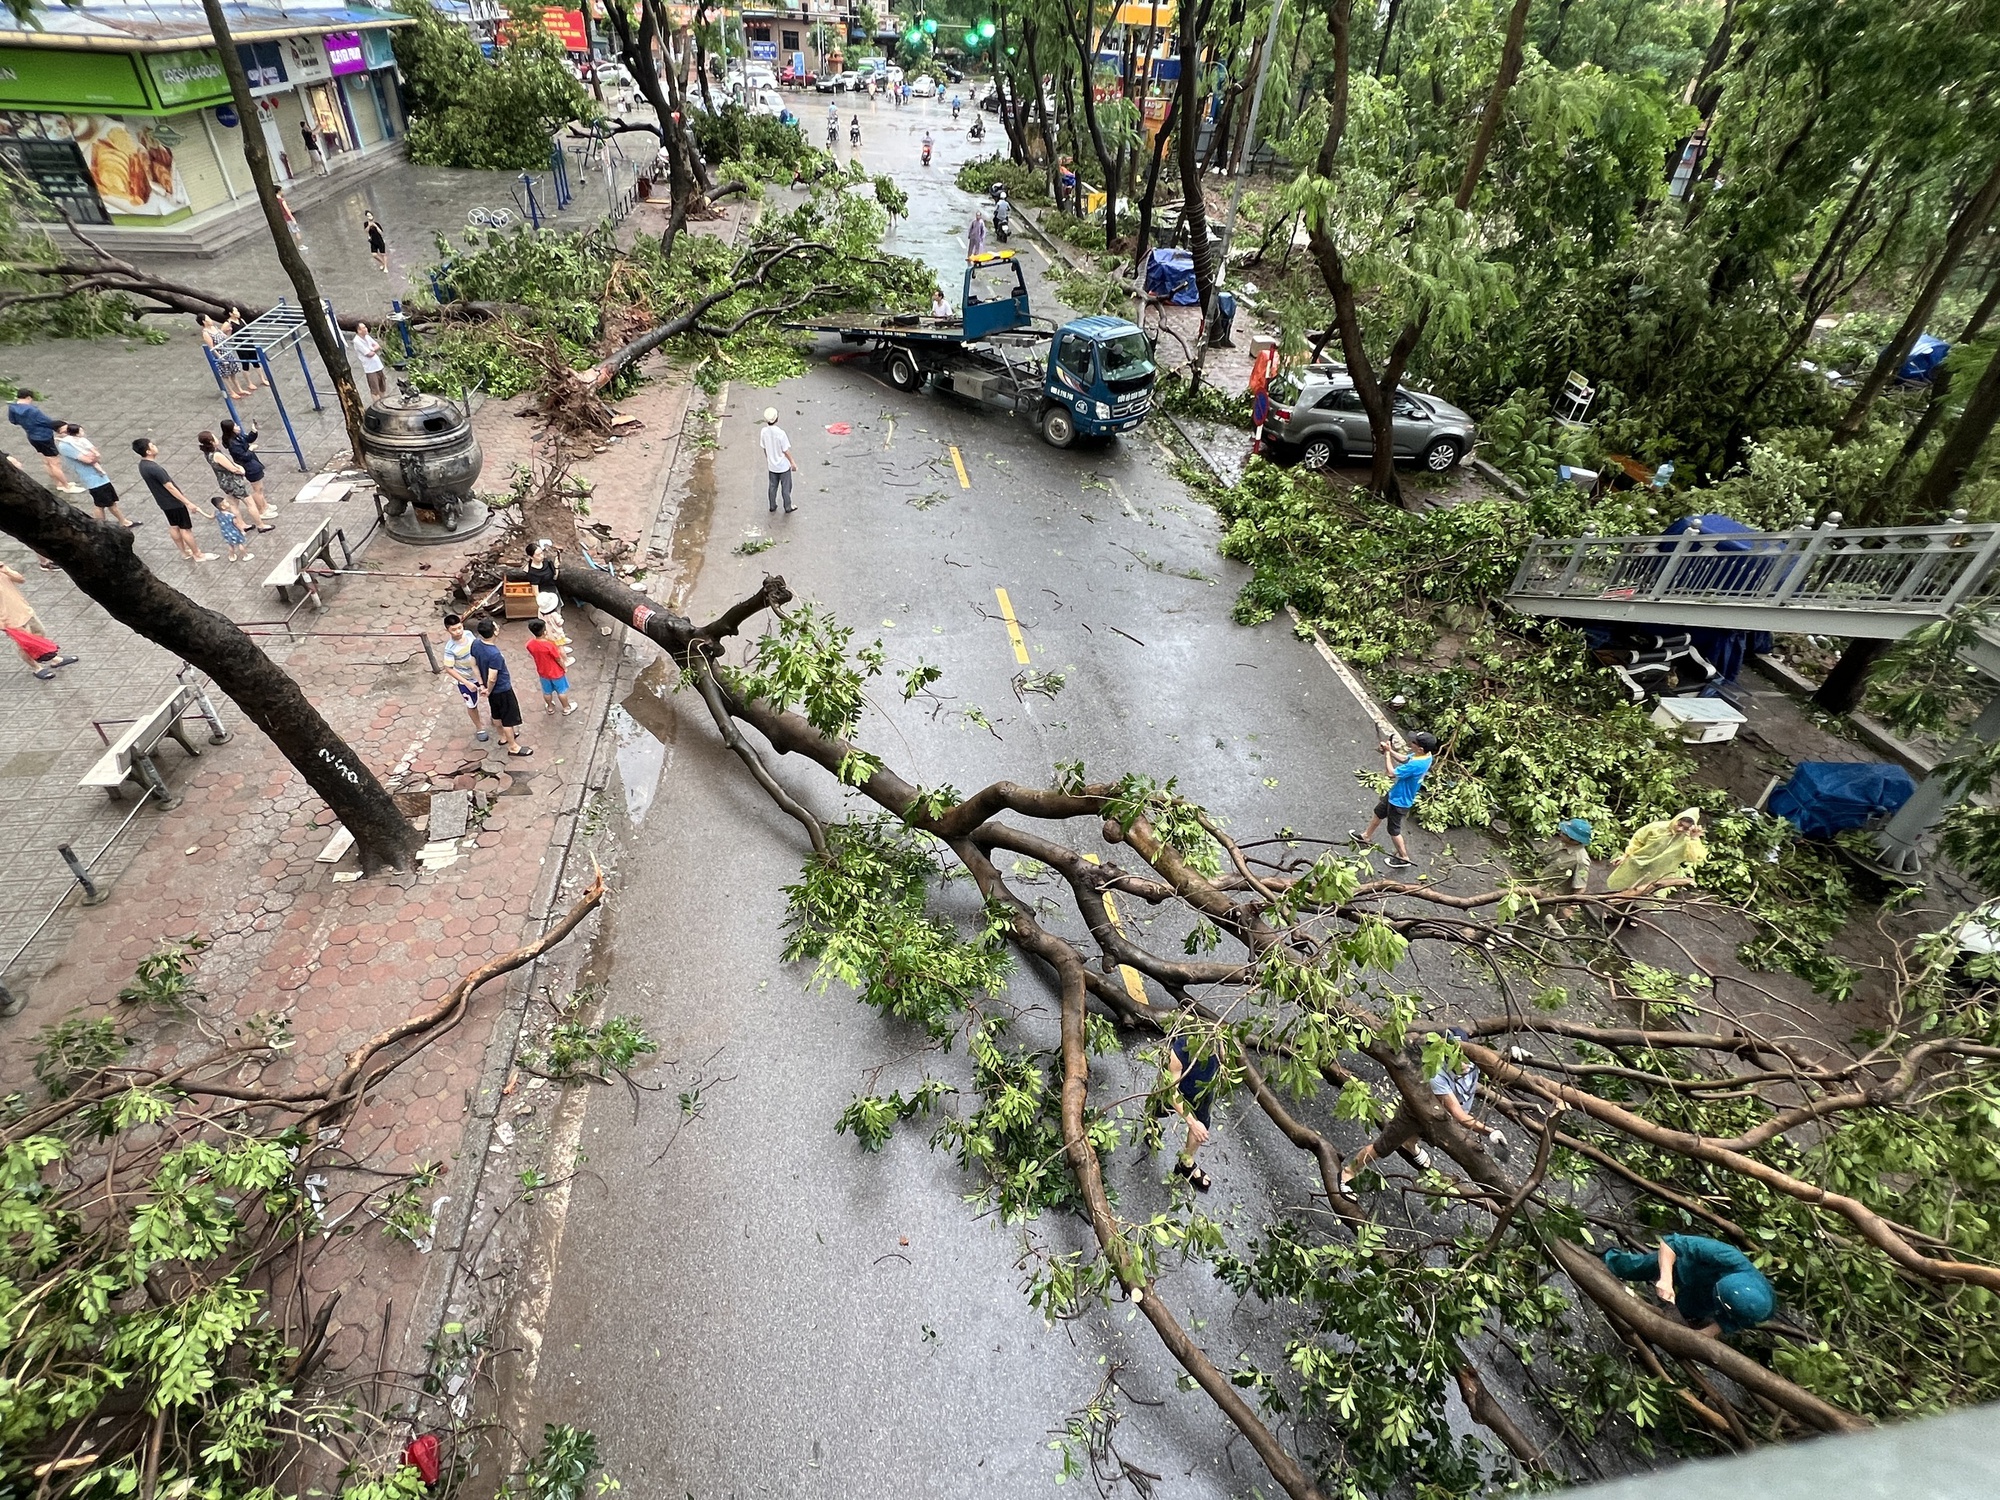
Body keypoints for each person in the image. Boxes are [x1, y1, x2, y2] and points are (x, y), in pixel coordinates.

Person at [1339, 1027, 1507, 1194]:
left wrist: (1512, 1054)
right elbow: (1460, 1116)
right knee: (1383, 1147)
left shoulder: (1473, 1062)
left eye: (1464, 1055)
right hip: (1415, 1113)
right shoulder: (1437, 1076)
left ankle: (1409, 1144)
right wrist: (1489, 1132)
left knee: (1422, 1136)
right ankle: (1348, 1172)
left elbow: (1492, 1059)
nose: (1463, 1062)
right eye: (1455, 1057)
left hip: (1438, 1115)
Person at [1602, 1234, 1776, 1338]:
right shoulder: (1726, 1255)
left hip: (1700, 1301)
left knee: (1676, 1316)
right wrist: (1666, 1280)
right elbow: (1670, 1243)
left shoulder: (1758, 1310)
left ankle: (1638, 1332)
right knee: (1635, 1267)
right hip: (1684, 1267)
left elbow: (1726, 1323)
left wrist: (1699, 1336)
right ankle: (1605, 1261)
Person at [1352, 730, 1439, 870]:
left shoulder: (1417, 765)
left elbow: (1390, 773)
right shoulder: (1424, 756)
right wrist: (1390, 750)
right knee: (1379, 812)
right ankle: (1366, 836)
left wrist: (1386, 754)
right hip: (1394, 794)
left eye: (1414, 742)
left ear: (1420, 748)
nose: (1411, 743)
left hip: (1399, 801)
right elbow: (1405, 758)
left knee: (1394, 830)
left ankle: (1404, 857)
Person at [133, 439, 214, 561]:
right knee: (185, 528)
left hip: (163, 503)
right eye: (152, 445)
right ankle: (197, 554)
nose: (155, 446)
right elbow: (170, 487)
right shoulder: (155, 468)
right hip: (174, 502)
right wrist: (187, 502)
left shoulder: (142, 465)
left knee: (174, 526)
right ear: (148, 451)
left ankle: (184, 552)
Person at [1164, 1032, 1222, 1192]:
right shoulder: (1178, 1053)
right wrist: (1191, 1122)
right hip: (1179, 1090)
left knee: (1201, 1126)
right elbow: (1171, 1094)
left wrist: (1197, 1125)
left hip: (1202, 1092)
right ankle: (1152, 1126)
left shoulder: (1221, 1045)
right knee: (1160, 1109)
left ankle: (1186, 1163)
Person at [1, 558, 77, 680]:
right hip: (10, 620)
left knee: (40, 634)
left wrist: (5, 570)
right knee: (25, 645)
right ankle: (36, 668)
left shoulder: (1, 569)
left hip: (25, 610)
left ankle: (54, 659)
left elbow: (20, 579)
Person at [56, 424, 136, 529]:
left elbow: (95, 454)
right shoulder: (66, 446)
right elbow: (88, 459)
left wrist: (94, 456)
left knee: (110, 502)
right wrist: (94, 456)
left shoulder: (79, 442)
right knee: (101, 504)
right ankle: (102, 526)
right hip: (92, 478)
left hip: (99, 477)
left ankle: (122, 522)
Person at [471, 618, 531, 756]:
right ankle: (513, 746)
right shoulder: (495, 654)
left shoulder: (475, 644)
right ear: (495, 632)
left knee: (496, 714)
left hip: (490, 691)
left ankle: (502, 737)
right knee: (508, 719)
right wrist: (488, 689)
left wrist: (482, 685)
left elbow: (473, 664)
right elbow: (493, 677)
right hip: (502, 689)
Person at [1607, 809, 1707, 891]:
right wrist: (1625, 856)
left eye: (1685, 828)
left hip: (1658, 874)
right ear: (1676, 819)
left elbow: (1695, 857)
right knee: (1617, 889)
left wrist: (1694, 839)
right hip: (1635, 865)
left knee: (1642, 898)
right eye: (1679, 824)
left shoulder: (1688, 840)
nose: (1680, 829)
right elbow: (1638, 840)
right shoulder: (1657, 827)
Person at [9, 389, 79, 492]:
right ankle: (66, 486)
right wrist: (61, 427)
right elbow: (47, 422)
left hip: (32, 436)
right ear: (28, 397)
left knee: (46, 461)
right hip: (44, 437)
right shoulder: (33, 410)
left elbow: (13, 421)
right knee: (55, 462)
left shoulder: (12, 408)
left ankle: (58, 483)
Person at [1535, 817, 1595, 920]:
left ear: (1574, 840)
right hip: (1541, 886)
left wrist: (1570, 908)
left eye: (1565, 833)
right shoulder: (1561, 844)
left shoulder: (1581, 860)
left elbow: (1580, 888)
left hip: (1552, 896)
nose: (1560, 833)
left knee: (1531, 917)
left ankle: (1517, 936)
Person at [441, 613, 488, 742]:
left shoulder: (468, 634)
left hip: (481, 674)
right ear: (448, 630)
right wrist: (466, 683)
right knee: (472, 704)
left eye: (459, 628)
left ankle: (496, 720)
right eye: (454, 630)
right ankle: (479, 728)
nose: (458, 632)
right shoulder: (450, 649)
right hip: (467, 679)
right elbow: (448, 668)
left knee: (493, 695)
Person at [197, 430, 257, 529]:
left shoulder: (208, 453)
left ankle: (241, 524)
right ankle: (260, 525)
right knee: (250, 503)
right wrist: (241, 470)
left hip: (223, 482)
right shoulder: (217, 455)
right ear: (211, 441)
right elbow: (232, 469)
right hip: (232, 482)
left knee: (233, 504)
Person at [220, 420, 270, 529]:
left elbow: (247, 439)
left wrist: (253, 431)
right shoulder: (233, 443)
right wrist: (251, 449)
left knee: (260, 487)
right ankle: (261, 509)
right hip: (249, 466)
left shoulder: (237, 437)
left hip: (253, 463)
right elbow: (244, 456)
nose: (238, 427)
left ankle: (265, 505)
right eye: (236, 426)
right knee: (257, 489)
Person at [526, 617, 576, 715]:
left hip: (543, 672)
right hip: (556, 672)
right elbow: (558, 658)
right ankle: (566, 708)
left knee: (547, 691)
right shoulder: (549, 645)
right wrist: (564, 667)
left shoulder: (530, 644)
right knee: (561, 691)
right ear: (544, 631)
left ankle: (550, 707)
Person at [200, 313, 254, 400]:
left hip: (227, 351)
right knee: (225, 375)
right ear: (204, 322)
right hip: (220, 354)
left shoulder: (215, 327)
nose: (210, 320)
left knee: (233, 372)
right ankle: (231, 392)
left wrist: (229, 332)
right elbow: (212, 347)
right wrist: (220, 358)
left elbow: (224, 338)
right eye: (208, 319)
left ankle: (239, 389)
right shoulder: (206, 333)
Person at [760, 406, 796, 515]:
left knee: (772, 486)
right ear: (777, 419)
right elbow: (785, 450)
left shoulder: (763, 432)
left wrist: (768, 459)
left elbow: (764, 447)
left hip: (772, 466)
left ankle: (772, 505)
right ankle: (788, 506)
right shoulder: (781, 433)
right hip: (783, 466)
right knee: (786, 488)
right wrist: (792, 462)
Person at [211, 492, 253, 563]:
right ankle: (245, 555)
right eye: (226, 502)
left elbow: (210, 517)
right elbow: (237, 524)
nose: (228, 503)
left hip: (225, 532)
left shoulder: (217, 513)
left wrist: (200, 511)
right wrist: (242, 530)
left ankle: (232, 556)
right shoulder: (231, 516)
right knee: (240, 544)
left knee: (231, 545)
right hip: (234, 532)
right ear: (223, 507)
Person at [351, 323, 388, 400]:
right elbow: (369, 354)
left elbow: (377, 346)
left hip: (378, 365)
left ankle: (383, 402)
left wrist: (373, 349)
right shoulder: (357, 341)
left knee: (382, 386)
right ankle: (377, 405)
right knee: (375, 389)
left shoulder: (367, 337)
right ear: (359, 330)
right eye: (363, 328)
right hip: (370, 368)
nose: (366, 329)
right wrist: (373, 350)